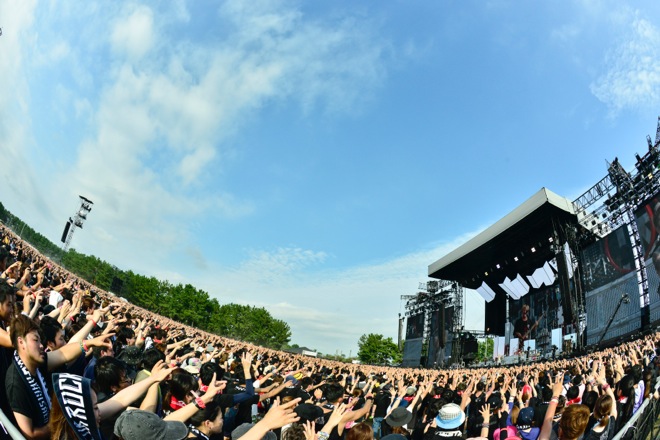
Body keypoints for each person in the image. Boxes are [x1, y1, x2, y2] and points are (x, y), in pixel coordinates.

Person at [5, 314, 113, 439]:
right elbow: (30, 433)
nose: (41, 345)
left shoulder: (36, 362)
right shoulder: (15, 383)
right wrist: (60, 422)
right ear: (21, 342)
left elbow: (63, 354)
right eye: (35, 340)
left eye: (40, 340)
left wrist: (90, 343)